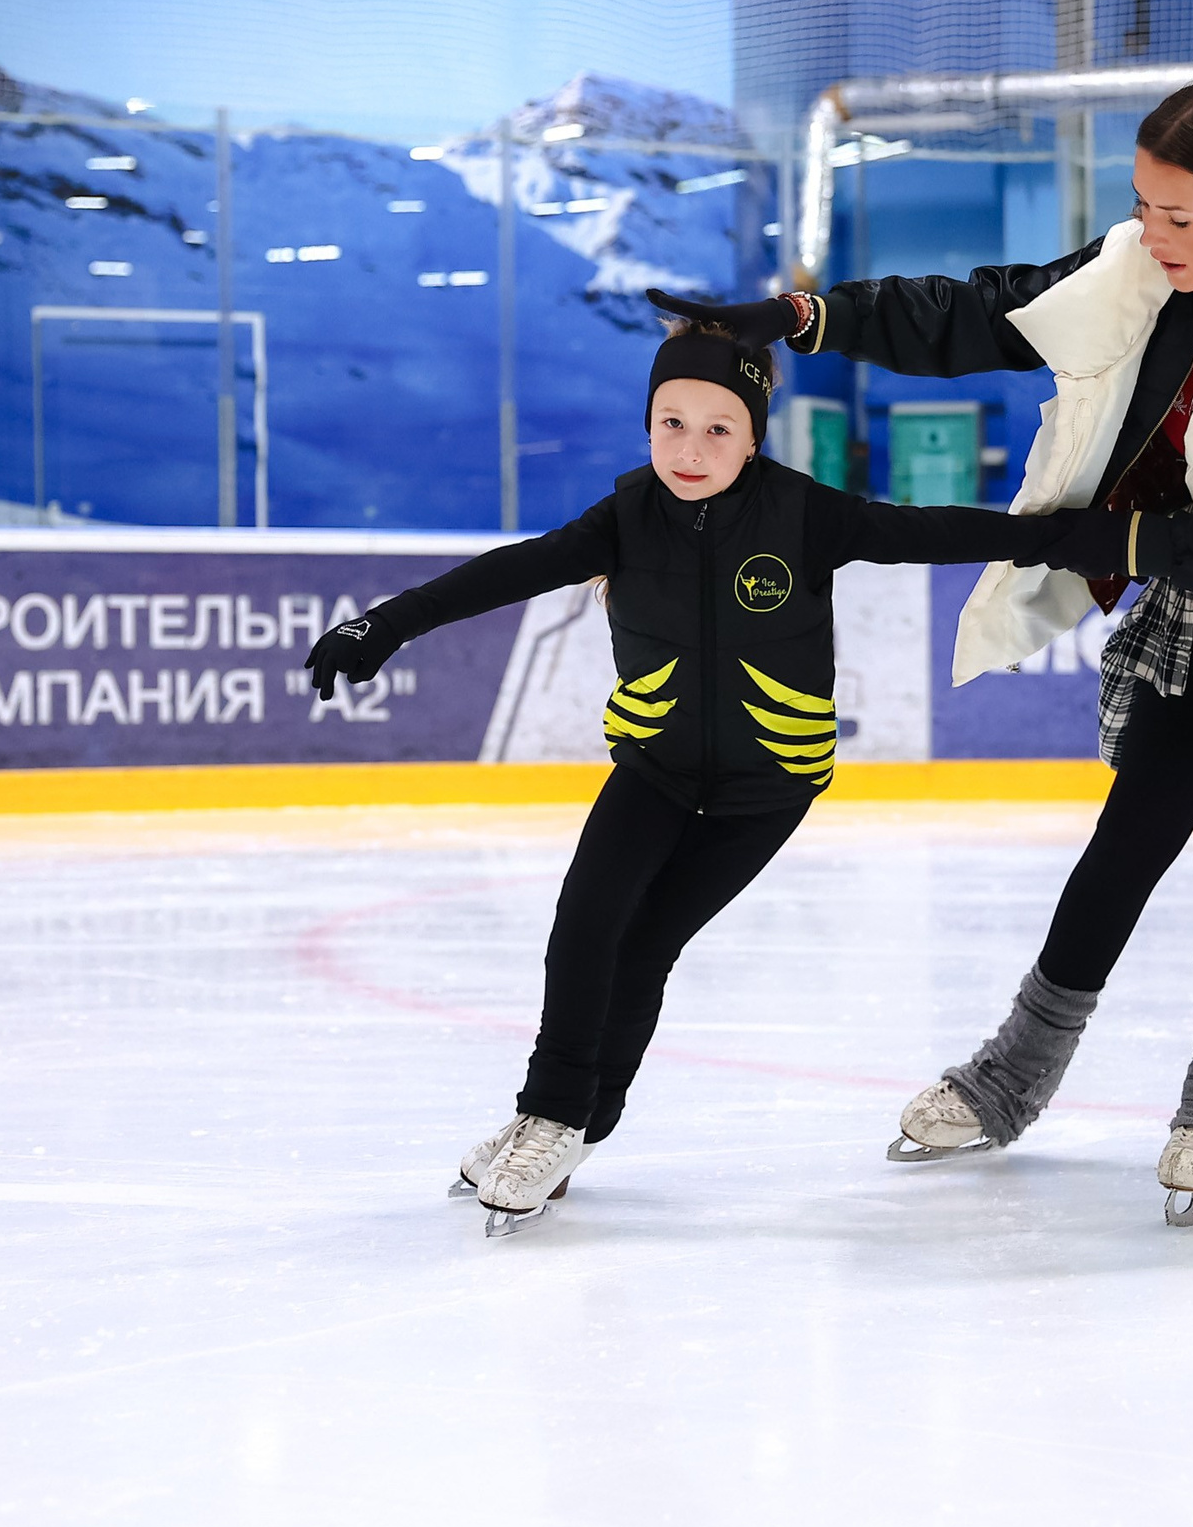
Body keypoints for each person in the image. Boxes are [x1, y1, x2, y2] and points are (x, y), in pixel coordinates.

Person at [665, 77, 1193, 1224]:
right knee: (1142, 810)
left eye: (1176, 215)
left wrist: (1131, 536)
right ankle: (1013, 1073)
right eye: (1141, 207)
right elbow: (984, 314)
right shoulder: (1146, 268)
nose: (1148, 236)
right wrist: (807, 320)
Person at [304, 317, 1113, 1234]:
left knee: (645, 944)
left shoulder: (803, 514)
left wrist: (1079, 537)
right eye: (670, 423)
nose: (690, 449)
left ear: (756, 433)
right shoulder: (624, 517)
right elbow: (506, 574)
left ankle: (567, 1123)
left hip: (765, 788)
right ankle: (555, 1117)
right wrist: (382, 626)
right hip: (653, 768)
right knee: (585, 929)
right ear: (647, 425)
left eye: (718, 427)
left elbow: (926, 531)